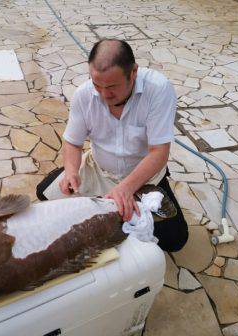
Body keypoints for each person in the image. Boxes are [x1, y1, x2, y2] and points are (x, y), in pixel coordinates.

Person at [36, 39, 188, 252]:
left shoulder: (158, 90)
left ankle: (116, 202)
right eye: (97, 84)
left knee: (175, 239)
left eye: (112, 86)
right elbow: (73, 142)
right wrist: (71, 172)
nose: (104, 94)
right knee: (45, 191)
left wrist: (125, 189)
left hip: (142, 177)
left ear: (133, 72)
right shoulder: (84, 94)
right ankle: (81, 183)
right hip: (99, 169)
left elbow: (158, 153)